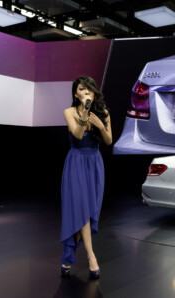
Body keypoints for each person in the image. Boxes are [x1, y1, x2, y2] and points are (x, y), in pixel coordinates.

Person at [60, 76, 112, 279]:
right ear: (76, 94)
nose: (86, 91)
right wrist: (84, 113)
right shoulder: (69, 112)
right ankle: (91, 258)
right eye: (82, 89)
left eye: (90, 88)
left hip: (95, 163)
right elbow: (78, 135)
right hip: (76, 162)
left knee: (89, 213)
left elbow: (108, 141)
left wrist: (100, 124)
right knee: (81, 211)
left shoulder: (104, 112)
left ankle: (67, 256)